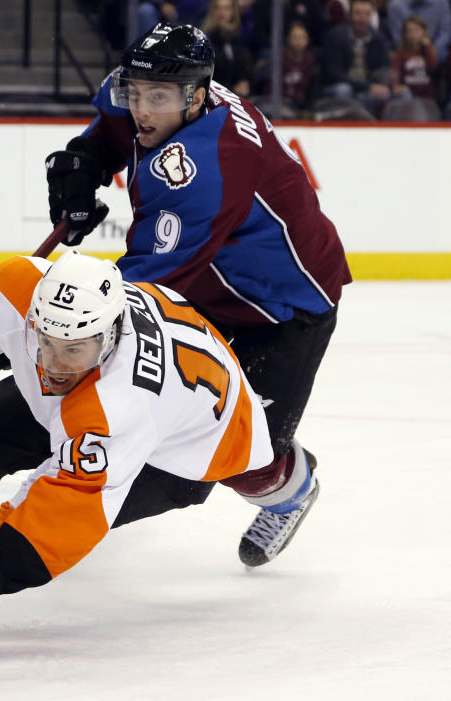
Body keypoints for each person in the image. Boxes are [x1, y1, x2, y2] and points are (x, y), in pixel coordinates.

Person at [0, 195, 280, 660]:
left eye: (71, 349)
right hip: (104, 390)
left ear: (110, 336)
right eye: (44, 342)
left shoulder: (120, 407)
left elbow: (58, 522)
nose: (51, 364)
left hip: (185, 449)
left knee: (30, 500)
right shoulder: (24, 291)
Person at [36, 24, 348, 572]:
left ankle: (291, 488)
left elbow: (144, 291)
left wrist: (61, 319)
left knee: (242, 453)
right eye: (135, 92)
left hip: (282, 303)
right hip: (209, 278)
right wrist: (84, 161)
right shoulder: (162, 98)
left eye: (156, 98)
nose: (142, 109)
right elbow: (111, 129)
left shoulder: (207, 165)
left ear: (197, 96)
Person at [321, 0, 392, 117]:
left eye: (366, 14)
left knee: (388, 94)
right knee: (344, 90)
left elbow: (384, 68)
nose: (362, 18)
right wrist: (368, 86)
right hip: (340, 87)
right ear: (349, 15)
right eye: (358, 13)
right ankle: (344, 125)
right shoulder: (336, 36)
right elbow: (334, 74)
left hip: (368, 88)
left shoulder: (379, 39)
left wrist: (382, 85)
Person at [384, 15, 441, 120]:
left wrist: (427, 46)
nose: (413, 34)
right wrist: (396, 85)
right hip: (407, 98)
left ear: (424, 32)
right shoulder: (400, 54)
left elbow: (433, 68)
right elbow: (394, 73)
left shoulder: (429, 52)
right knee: (405, 95)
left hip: (427, 99)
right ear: (405, 34)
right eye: (409, 31)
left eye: (416, 30)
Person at [201, 0, 254, 97]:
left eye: (226, 8)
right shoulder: (205, 41)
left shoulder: (239, 39)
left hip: (238, 98)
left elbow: (245, 71)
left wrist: (244, 82)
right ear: (212, 11)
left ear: (233, 12)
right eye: (218, 8)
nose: (222, 13)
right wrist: (232, 88)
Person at [386, 0, 451, 63]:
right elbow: (398, 39)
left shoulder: (442, 2)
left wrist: (430, 51)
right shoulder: (396, 6)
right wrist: (414, 55)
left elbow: (445, 33)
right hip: (407, 52)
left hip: (435, 50)